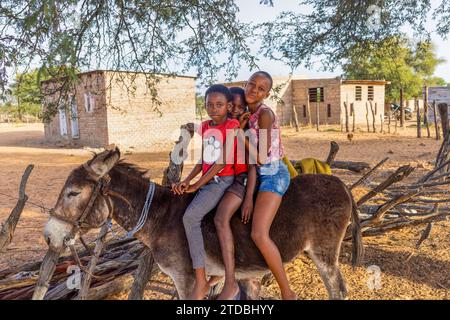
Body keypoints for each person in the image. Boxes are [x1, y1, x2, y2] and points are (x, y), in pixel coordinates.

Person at [171, 84, 239, 300]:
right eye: (209, 104)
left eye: (219, 105)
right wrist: (187, 180)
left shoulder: (232, 125)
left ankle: (201, 280)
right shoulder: (206, 126)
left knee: (190, 217)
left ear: (228, 106)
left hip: (221, 180)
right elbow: (204, 160)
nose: (213, 109)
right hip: (208, 178)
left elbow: (220, 164)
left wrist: (197, 186)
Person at [242, 71, 297, 300]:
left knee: (258, 233)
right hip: (255, 174)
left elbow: (263, 158)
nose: (254, 90)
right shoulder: (247, 114)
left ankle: (287, 292)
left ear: (266, 94)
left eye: (261, 88)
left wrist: (239, 133)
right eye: (251, 84)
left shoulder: (265, 115)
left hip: (273, 173)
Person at [214, 86, 257, 300]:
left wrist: (249, 197)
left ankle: (234, 282)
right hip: (227, 178)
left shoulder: (248, 131)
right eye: (234, 106)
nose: (236, 110)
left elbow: (252, 166)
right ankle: (220, 273)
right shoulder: (226, 127)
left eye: (242, 107)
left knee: (223, 218)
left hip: (244, 180)